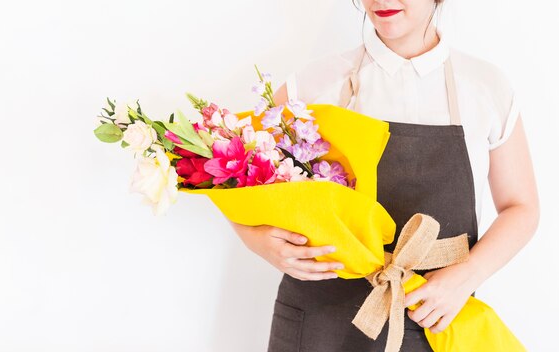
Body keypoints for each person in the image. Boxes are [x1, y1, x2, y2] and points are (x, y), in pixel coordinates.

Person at [229, 0, 540, 350]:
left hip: (431, 313)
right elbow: (240, 177)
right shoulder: (313, 84)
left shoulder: (486, 88)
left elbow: (521, 207)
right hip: (318, 320)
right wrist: (255, 240)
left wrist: (466, 277)